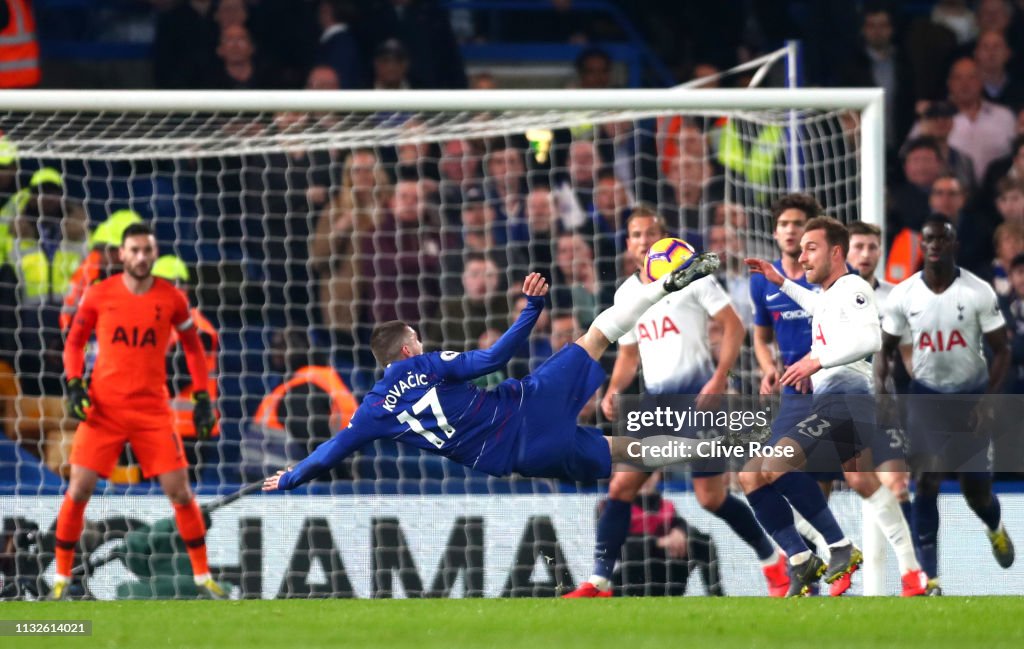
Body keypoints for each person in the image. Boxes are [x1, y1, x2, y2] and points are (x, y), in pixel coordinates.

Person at [262, 255, 722, 493]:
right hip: (525, 406)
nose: (422, 344)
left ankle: (707, 451)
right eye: (417, 340)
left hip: (520, 458)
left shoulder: (373, 411)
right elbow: (493, 360)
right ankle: (665, 283)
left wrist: (291, 477)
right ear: (406, 349)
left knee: (624, 454)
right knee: (598, 334)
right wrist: (532, 309)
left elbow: (329, 452)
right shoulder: (424, 366)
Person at [562, 208, 786, 599]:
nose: (644, 240)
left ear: (666, 239)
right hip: (657, 404)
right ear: (628, 244)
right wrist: (614, 388)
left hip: (700, 398)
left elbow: (733, 325)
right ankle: (599, 582)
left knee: (711, 498)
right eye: (635, 234)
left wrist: (719, 378)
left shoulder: (692, 276)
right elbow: (629, 355)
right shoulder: (626, 294)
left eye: (651, 233)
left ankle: (773, 563)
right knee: (621, 488)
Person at [745, 217, 927, 598]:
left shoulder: (854, 286)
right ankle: (807, 558)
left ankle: (836, 548)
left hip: (846, 401)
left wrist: (817, 360)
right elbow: (817, 303)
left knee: (771, 468)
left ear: (836, 252)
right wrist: (781, 283)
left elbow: (870, 339)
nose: (802, 255)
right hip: (834, 401)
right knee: (853, 480)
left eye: (812, 248)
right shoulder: (830, 294)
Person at [53, 223, 221, 600]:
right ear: (122, 254)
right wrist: (75, 382)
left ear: (154, 254)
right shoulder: (99, 295)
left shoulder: (172, 299)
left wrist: (202, 397)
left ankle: (202, 576)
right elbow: (74, 342)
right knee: (78, 490)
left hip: (152, 411)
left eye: (148, 250)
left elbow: (193, 349)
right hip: (104, 409)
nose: (142, 257)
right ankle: (61, 577)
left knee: (180, 493)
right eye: (135, 250)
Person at [877, 215, 1015, 595]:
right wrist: (882, 393)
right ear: (922, 246)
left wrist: (987, 399)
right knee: (926, 481)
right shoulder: (903, 294)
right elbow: (886, 351)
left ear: (953, 244)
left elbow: (1003, 350)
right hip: (926, 398)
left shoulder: (978, 292)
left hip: (969, 399)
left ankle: (994, 528)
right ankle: (931, 577)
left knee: (977, 492)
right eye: (929, 240)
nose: (935, 246)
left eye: (942, 239)